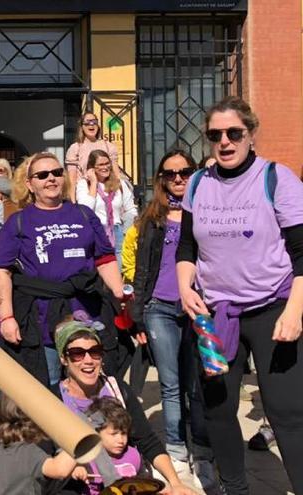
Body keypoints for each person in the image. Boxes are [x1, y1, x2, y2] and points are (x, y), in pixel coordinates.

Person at [176, 96, 303, 495]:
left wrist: (295, 312)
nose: (225, 142)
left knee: (287, 412)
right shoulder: (198, 183)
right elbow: (185, 249)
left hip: (273, 309)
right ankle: (235, 489)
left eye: (235, 133)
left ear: (251, 134)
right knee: (218, 411)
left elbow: (302, 252)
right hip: (216, 316)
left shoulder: (276, 178)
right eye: (216, 135)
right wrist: (184, 287)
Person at [122, 149, 216, 489]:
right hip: (159, 307)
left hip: (198, 308)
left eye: (184, 172)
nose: (177, 178)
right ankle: (176, 452)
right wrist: (138, 315)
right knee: (171, 385)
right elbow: (143, 269)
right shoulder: (152, 218)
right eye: (169, 173)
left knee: (198, 385)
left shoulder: (207, 212)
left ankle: (203, 454)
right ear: (161, 179)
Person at [0, 152, 126, 386]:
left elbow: (104, 258)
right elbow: (2, 271)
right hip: (43, 318)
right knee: (50, 386)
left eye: (56, 172)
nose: (51, 179)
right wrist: (6, 317)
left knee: (91, 383)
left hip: (86, 313)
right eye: (42, 175)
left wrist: (119, 294)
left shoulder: (84, 214)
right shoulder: (19, 221)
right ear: (29, 184)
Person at [52, 320, 196, 494]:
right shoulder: (53, 399)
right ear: (63, 359)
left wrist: (175, 482)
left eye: (95, 352)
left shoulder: (118, 390)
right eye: (77, 354)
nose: (88, 360)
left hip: (126, 483)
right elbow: (43, 458)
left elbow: (147, 440)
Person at [0, 395, 86, 495]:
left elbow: (29, 479)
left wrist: (70, 473)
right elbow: (60, 469)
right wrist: (80, 438)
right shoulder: (28, 452)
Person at [75, 149, 137, 261]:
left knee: (118, 271)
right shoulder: (84, 185)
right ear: (92, 167)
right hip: (96, 232)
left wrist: (125, 231)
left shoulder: (120, 184)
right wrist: (93, 182)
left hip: (118, 232)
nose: (105, 167)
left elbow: (131, 210)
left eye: (107, 163)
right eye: (101, 164)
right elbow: (85, 210)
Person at [83, 397, 142, 494]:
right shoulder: (87, 459)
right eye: (114, 434)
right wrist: (77, 470)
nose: (121, 440)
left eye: (123, 433)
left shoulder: (133, 456)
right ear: (96, 433)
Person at [65, 112, 119, 203]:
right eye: (87, 123)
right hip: (85, 191)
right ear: (82, 127)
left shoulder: (108, 146)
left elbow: (116, 173)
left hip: (106, 190)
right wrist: (73, 202)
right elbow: (72, 179)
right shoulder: (75, 148)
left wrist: (119, 194)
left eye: (94, 122)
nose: (91, 125)